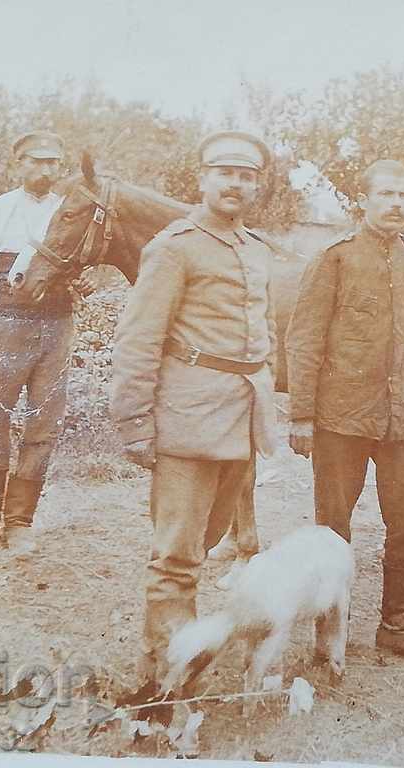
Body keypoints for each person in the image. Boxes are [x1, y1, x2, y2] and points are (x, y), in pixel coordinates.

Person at [109, 130, 279, 688]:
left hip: (239, 421)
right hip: (187, 419)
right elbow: (139, 338)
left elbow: (263, 332)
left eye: (247, 174)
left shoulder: (256, 249)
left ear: (257, 185)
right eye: (224, 171)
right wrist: (135, 422)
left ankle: (160, 653)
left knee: (206, 542)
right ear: (202, 178)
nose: (236, 183)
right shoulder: (173, 246)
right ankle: (166, 674)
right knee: (177, 555)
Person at [285, 159, 404, 665]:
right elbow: (303, 339)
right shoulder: (335, 258)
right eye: (387, 195)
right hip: (341, 418)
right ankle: (329, 634)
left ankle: (399, 627)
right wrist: (302, 414)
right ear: (365, 201)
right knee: (332, 528)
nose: (397, 204)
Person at [0, 130, 95, 556]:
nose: (45, 170)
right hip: (4, 327)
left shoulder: (70, 211)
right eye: (36, 161)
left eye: (53, 162)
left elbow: (83, 266)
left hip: (56, 329)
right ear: (18, 163)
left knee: (42, 425)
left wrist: (86, 279)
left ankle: (19, 522)